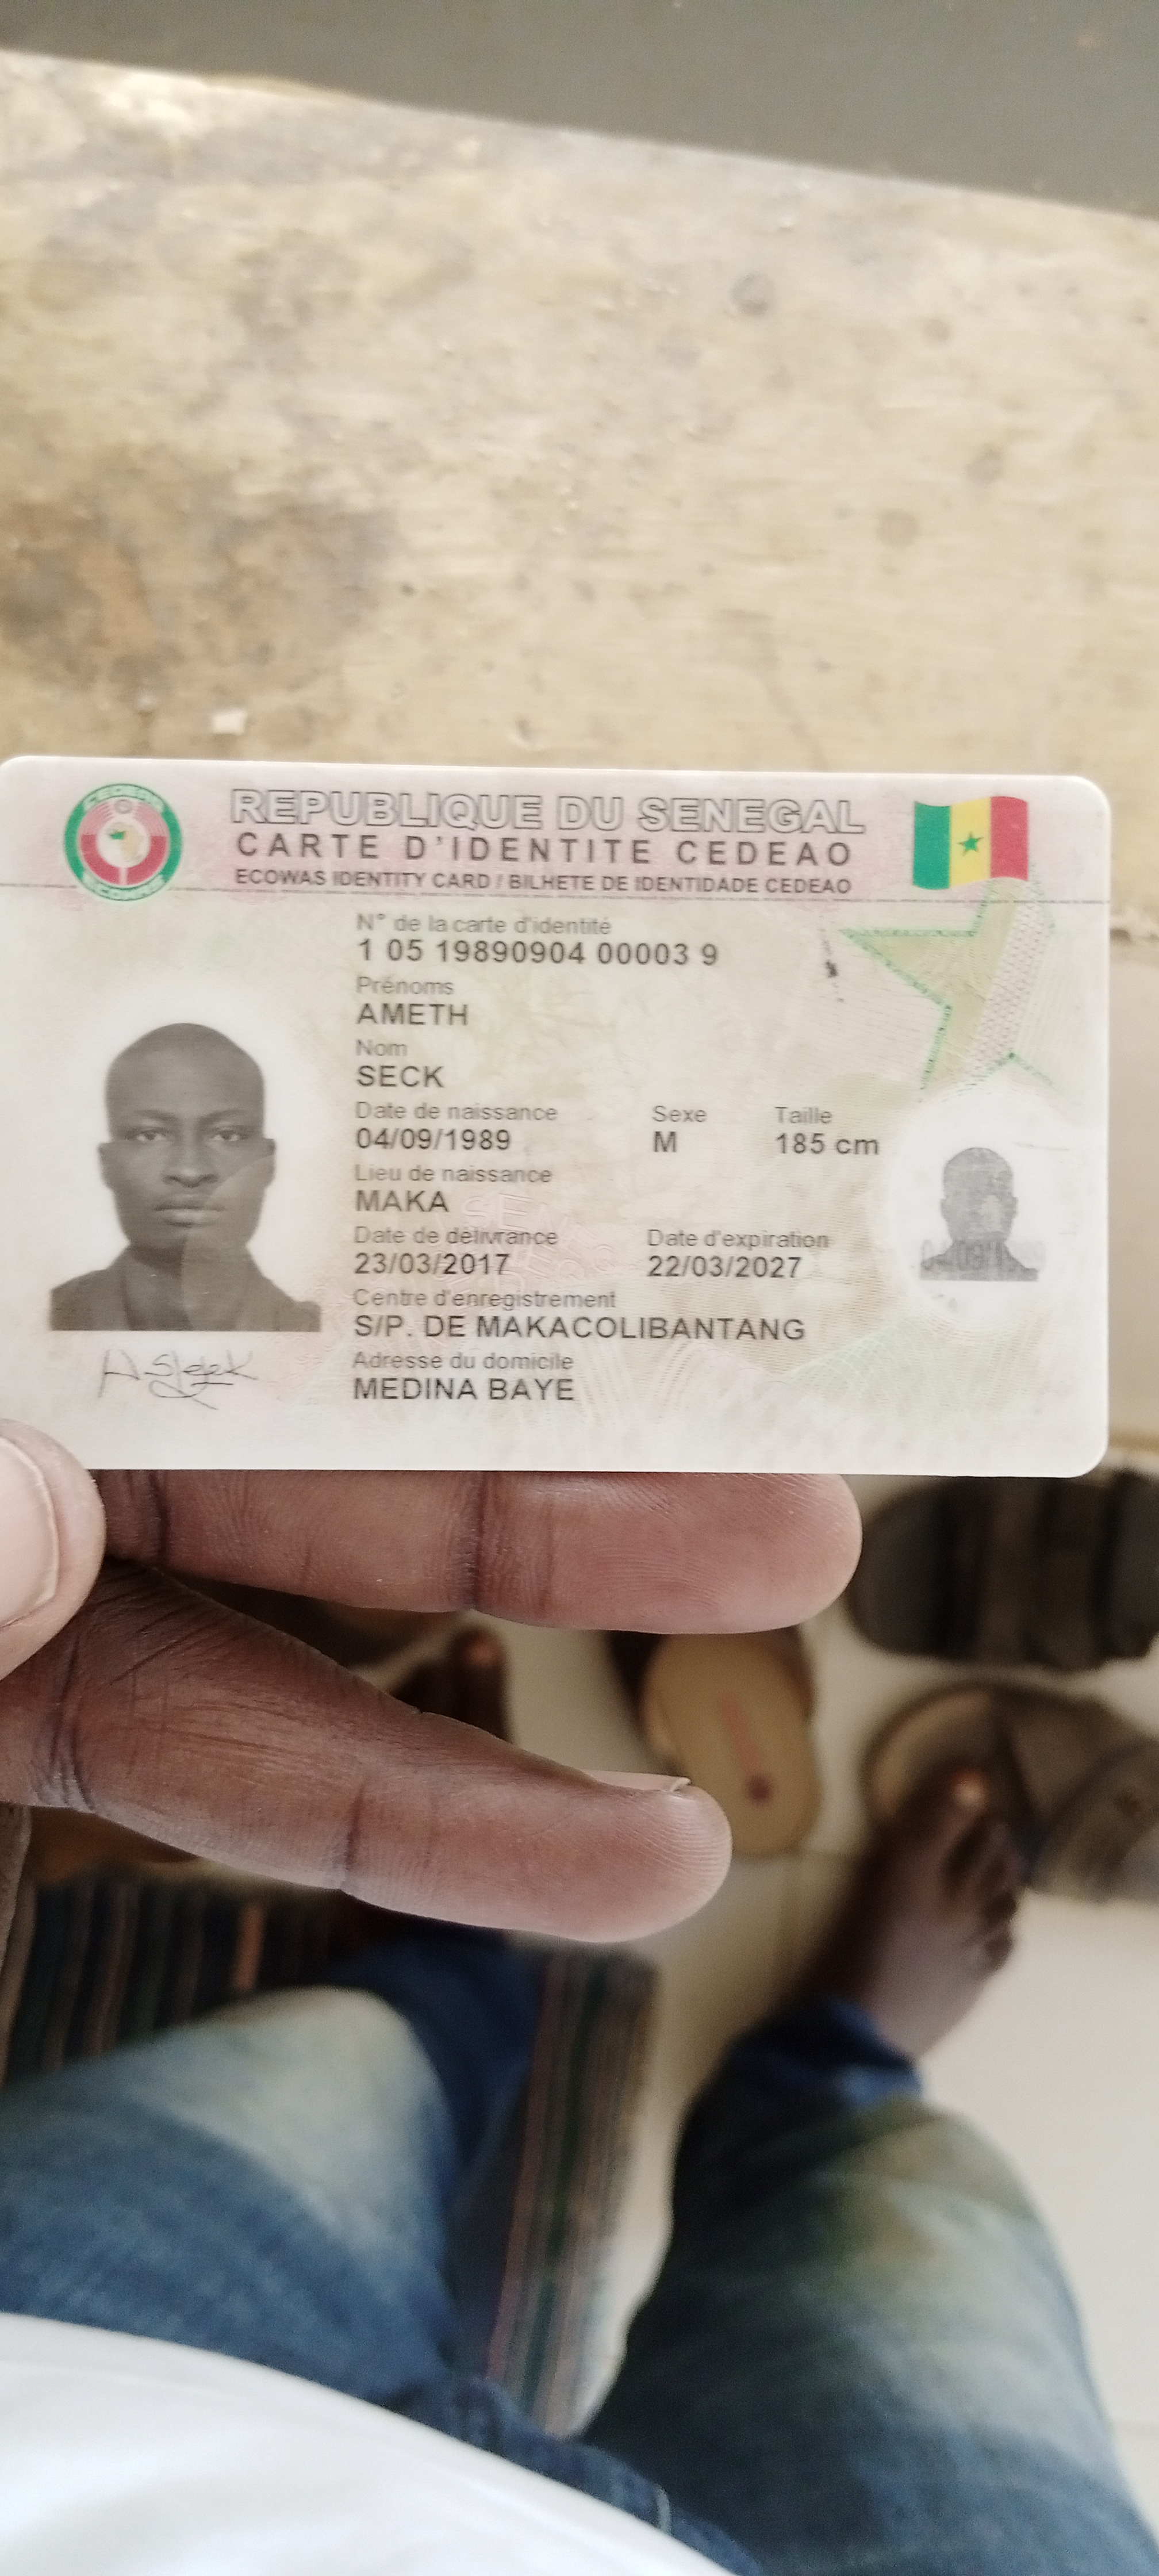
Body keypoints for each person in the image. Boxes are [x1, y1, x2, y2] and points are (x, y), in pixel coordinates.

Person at [0, 1430, 1153, 2574]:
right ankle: (828, 2078)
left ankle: (431, 1987)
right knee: (911, 2201)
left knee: (330, 2060)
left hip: (76, 2399)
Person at [49, 1022, 321, 1332]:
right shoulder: (38, 1323)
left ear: (268, 1163)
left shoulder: (322, 1339)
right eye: (150, 1135)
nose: (190, 1171)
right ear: (107, 1164)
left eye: (227, 1135)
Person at [920, 1144, 1038, 1281]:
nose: (981, 1209)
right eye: (969, 1195)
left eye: (994, 1194)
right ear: (946, 1209)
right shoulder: (925, 1275)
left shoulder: (1029, 1280)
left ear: (1012, 1207)